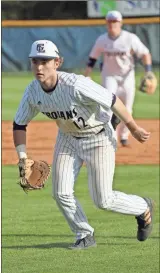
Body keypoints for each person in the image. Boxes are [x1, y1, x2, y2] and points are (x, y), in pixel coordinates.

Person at [13, 40, 154, 250]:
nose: (40, 67)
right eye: (35, 61)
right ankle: (84, 234)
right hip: (67, 139)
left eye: (45, 61)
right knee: (60, 192)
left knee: (103, 200)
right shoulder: (33, 91)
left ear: (57, 62)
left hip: (98, 137)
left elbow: (112, 100)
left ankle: (142, 207)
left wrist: (132, 127)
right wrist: (22, 157)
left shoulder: (76, 84)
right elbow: (19, 123)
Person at [84, 10, 153, 147]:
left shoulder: (130, 38)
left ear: (120, 23)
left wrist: (148, 72)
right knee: (108, 106)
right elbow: (93, 58)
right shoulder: (102, 39)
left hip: (127, 78)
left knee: (127, 108)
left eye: (115, 21)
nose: (112, 24)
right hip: (109, 76)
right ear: (106, 23)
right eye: (110, 21)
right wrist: (87, 74)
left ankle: (124, 136)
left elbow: (145, 54)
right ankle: (111, 136)